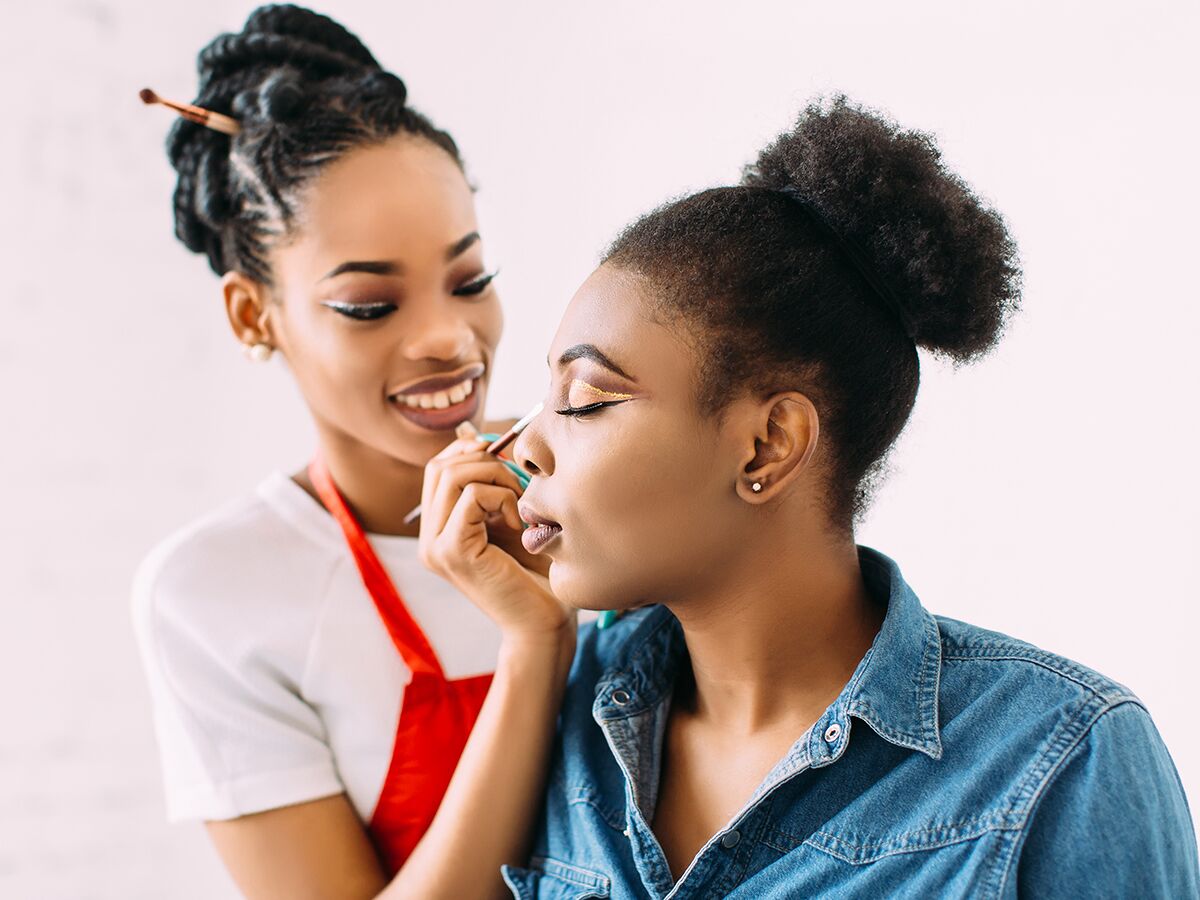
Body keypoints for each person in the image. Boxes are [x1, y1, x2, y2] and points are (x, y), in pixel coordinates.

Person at [456, 97, 1198, 897]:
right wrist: (532, 645)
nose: (525, 446)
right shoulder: (573, 701)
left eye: (585, 400)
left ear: (768, 446)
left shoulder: (1063, 757)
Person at [131, 6, 571, 897]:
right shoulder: (215, 595)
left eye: (470, 279)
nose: (450, 340)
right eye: (372, 304)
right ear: (255, 316)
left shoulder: (587, 479)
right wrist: (536, 642)